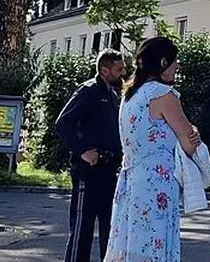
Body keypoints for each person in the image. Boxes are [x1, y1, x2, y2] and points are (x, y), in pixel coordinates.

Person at [105, 36, 202, 261]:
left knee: (132, 245)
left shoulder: (130, 96)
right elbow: (188, 142)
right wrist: (194, 133)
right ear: (162, 63)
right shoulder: (163, 95)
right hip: (156, 183)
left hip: (131, 181)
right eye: (174, 61)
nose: (177, 66)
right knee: (156, 245)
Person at [56, 49, 126, 262]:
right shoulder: (89, 91)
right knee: (82, 227)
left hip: (108, 168)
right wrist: (82, 150)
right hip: (89, 169)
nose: (123, 73)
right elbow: (63, 123)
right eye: (119, 69)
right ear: (105, 70)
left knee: (110, 226)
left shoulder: (112, 95)